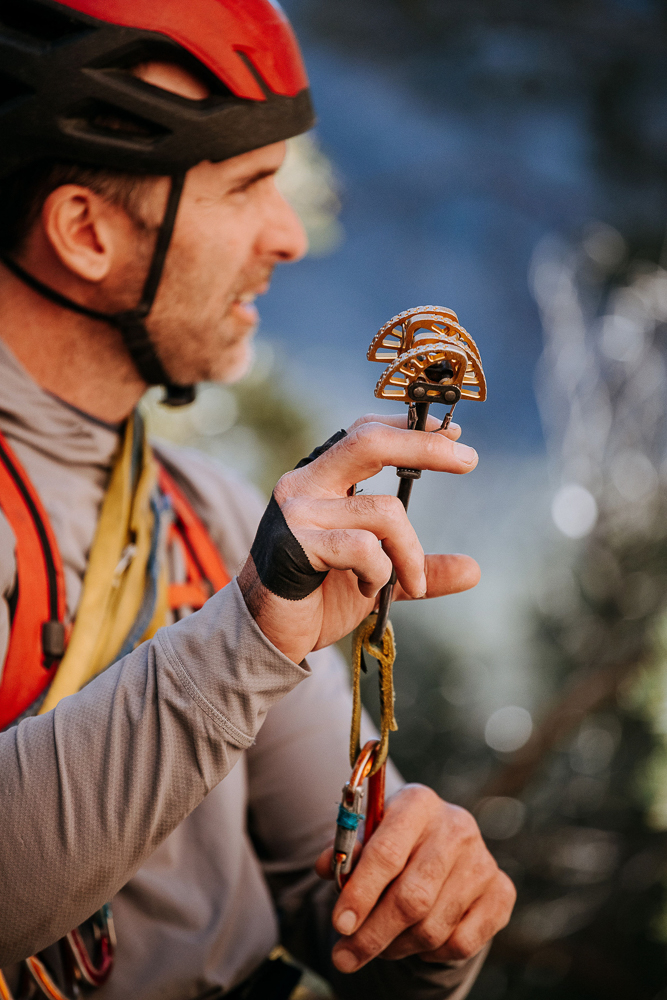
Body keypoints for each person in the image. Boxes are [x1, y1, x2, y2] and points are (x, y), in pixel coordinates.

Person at [0, 2, 516, 998]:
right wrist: (248, 635)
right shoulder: (254, 561)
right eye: (246, 187)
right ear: (87, 230)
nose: (288, 236)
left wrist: (430, 909)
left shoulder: (218, 515)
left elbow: (345, 914)